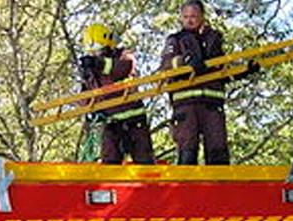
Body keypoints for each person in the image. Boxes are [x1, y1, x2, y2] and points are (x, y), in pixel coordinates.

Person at [159, 0, 258, 165]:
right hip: (186, 105)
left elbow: (222, 70)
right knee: (187, 150)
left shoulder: (214, 38)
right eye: (186, 17)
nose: (189, 20)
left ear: (202, 17)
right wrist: (185, 61)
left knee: (218, 149)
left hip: (212, 105)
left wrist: (244, 70)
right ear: (181, 18)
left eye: (194, 16)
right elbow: (166, 65)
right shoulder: (175, 40)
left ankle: (219, 188)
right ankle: (185, 189)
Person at [78, 24, 155, 165]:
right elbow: (85, 95)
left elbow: (124, 68)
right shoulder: (90, 70)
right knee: (110, 164)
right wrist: (91, 110)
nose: (95, 54)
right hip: (110, 124)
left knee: (144, 163)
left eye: (98, 50)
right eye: (93, 52)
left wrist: (100, 64)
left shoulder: (122, 56)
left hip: (134, 121)